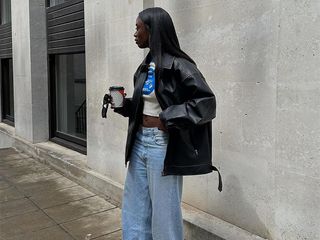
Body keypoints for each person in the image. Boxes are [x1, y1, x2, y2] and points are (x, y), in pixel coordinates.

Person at [112, 7, 222, 240]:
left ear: (152, 30)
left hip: (161, 145)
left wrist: (167, 118)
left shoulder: (180, 65)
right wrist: (124, 105)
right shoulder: (145, 66)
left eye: (138, 28)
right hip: (139, 141)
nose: (135, 33)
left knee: (164, 214)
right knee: (134, 210)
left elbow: (206, 103)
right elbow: (147, 106)